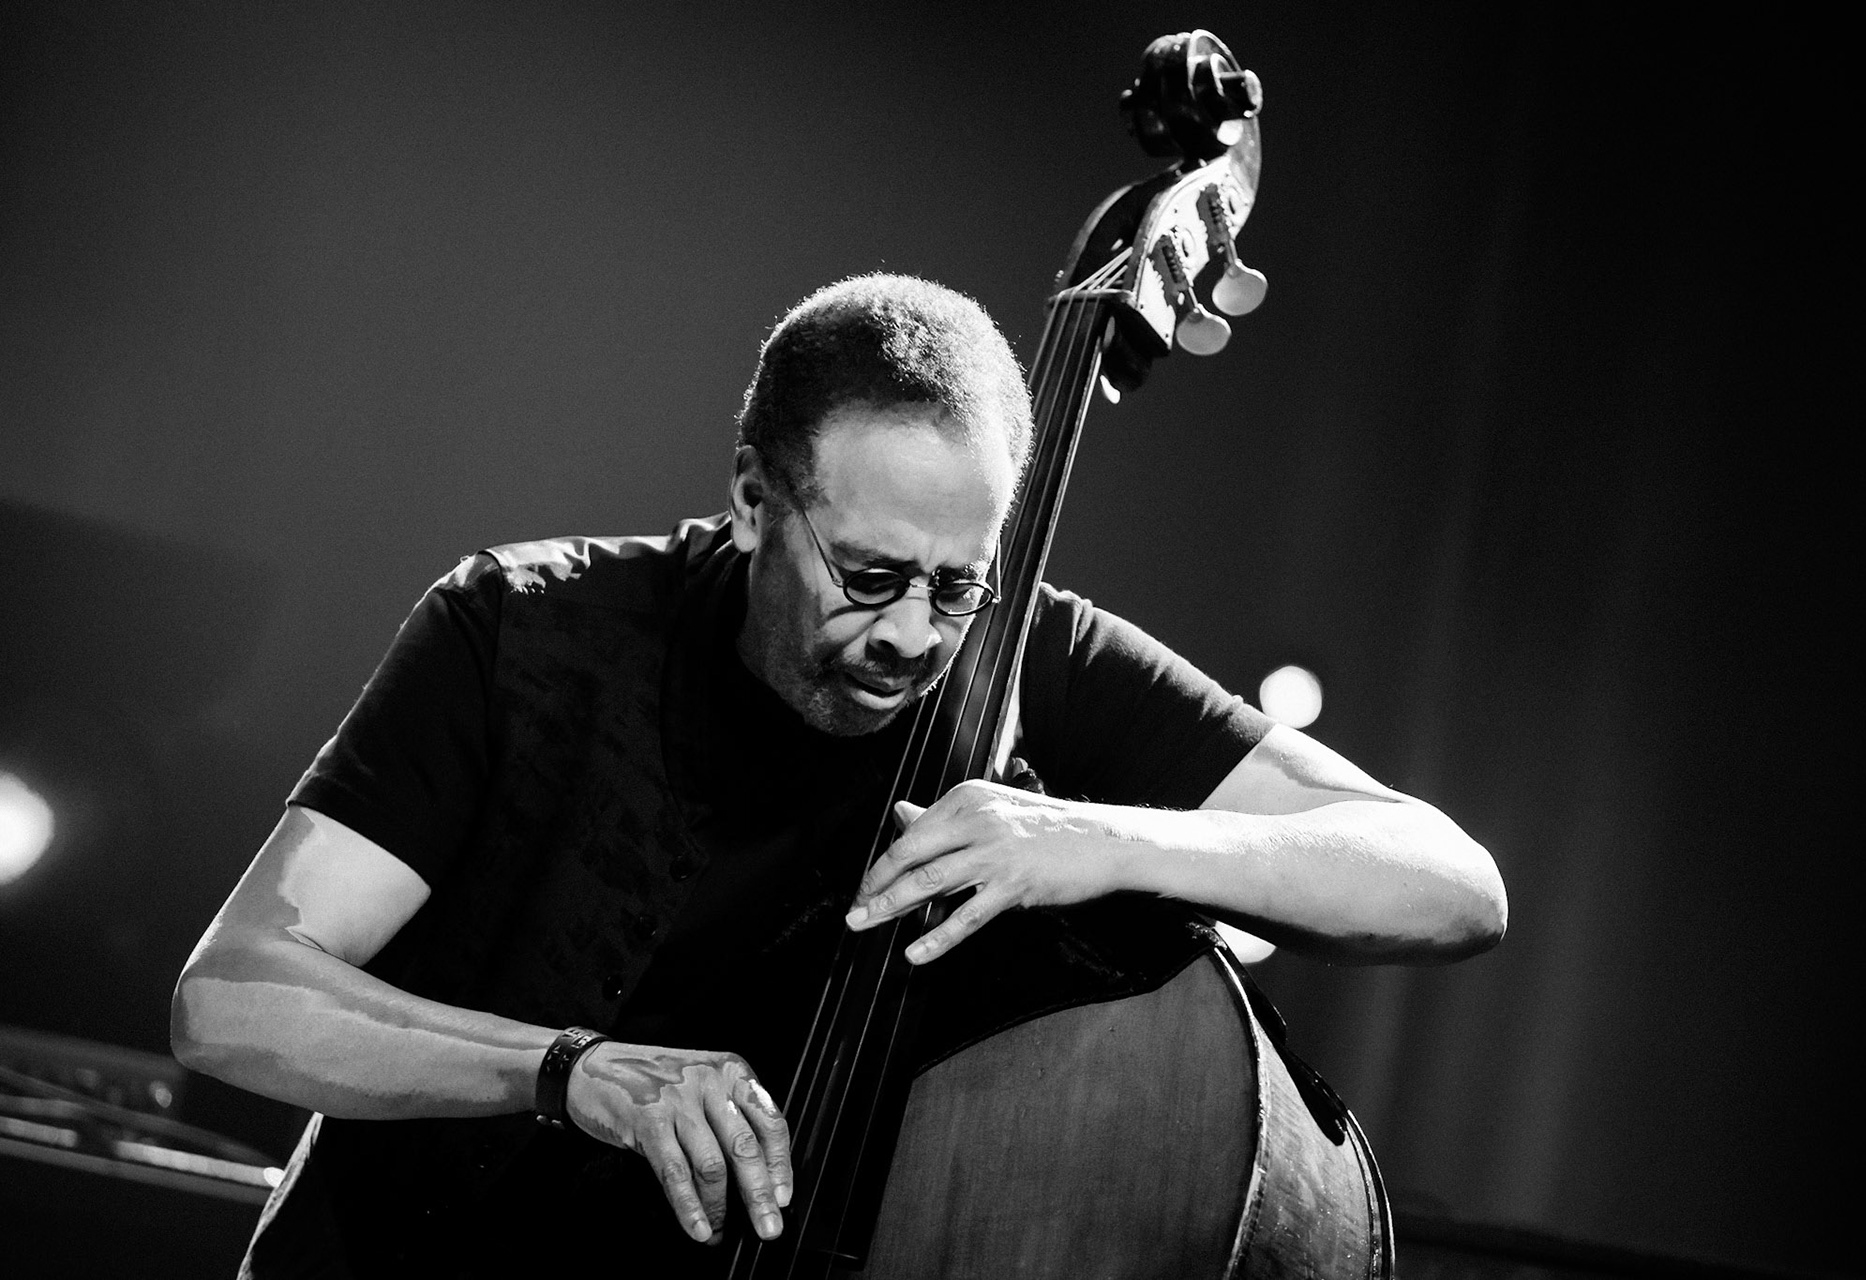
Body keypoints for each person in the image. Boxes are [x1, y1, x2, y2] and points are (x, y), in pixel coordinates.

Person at [172, 274, 1506, 1277]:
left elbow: (1449, 885)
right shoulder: (523, 630)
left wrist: (1103, 839)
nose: (919, 634)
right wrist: (566, 1069)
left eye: (959, 585)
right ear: (755, 497)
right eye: (868, 577)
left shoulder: (1033, 651)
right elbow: (234, 999)